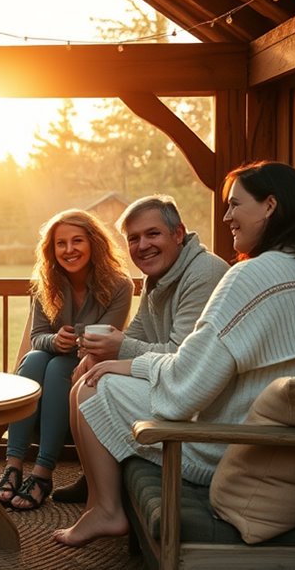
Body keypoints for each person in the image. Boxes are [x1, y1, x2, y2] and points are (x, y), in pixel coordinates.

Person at [53, 161, 295, 547]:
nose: (227, 216)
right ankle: (101, 500)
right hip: (278, 439)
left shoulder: (251, 277)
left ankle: (106, 510)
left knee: (94, 387)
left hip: (227, 442)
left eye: (235, 205)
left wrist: (129, 363)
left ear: (270, 206)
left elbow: (186, 387)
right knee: (99, 374)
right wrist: (124, 358)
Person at [52, 195, 229, 503]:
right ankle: (93, 475)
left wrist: (119, 347)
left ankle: (105, 503)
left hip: (202, 405)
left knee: (95, 385)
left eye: (152, 234)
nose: (142, 245)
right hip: (173, 382)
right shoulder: (156, 278)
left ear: (178, 233)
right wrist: (98, 353)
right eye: (133, 239)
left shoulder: (204, 273)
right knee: (84, 377)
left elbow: (182, 354)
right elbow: (136, 333)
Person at [0, 209, 134, 511]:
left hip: (92, 369)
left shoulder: (120, 285)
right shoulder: (47, 284)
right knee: (34, 359)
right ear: (52, 249)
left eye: (77, 241)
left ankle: (43, 473)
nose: (69, 250)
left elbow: (105, 340)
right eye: (61, 243)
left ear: (93, 243)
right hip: (52, 363)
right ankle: (13, 465)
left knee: (58, 365)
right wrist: (55, 340)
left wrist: (68, 343)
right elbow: (38, 336)